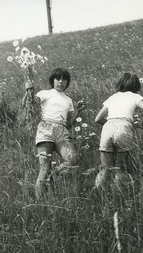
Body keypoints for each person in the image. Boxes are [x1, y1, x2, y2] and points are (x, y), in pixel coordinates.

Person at [23, 67, 86, 200]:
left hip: (61, 131)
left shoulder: (68, 100)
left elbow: (68, 124)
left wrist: (78, 111)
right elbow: (32, 104)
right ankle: (39, 203)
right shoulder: (45, 93)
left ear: (67, 82)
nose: (61, 82)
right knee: (44, 167)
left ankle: (54, 174)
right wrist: (29, 89)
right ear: (53, 80)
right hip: (45, 127)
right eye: (58, 79)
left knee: (73, 159)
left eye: (64, 79)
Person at [94, 72, 143, 190]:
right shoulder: (135, 96)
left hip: (107, 127)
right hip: (123, 127)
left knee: (104, 168)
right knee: (121, 168)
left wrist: (111, 124)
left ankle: (97, 192)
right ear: (136, 86)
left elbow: (97, 119)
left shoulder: (113, 97)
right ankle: (118, 194)